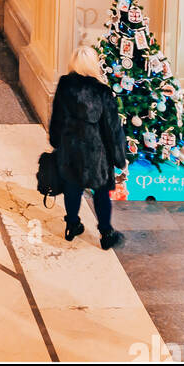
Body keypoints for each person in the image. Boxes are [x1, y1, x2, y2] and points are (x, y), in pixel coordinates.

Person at [48, 44, 126, 250]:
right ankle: (106, 233)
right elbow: (112, 128)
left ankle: (72, 225)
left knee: (72, 189)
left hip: (70, 148)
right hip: (96, 153)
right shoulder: (102, 91)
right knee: (101, 193)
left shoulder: (64, 85)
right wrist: (119, 157)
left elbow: (57, 116)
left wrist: (55, 141)